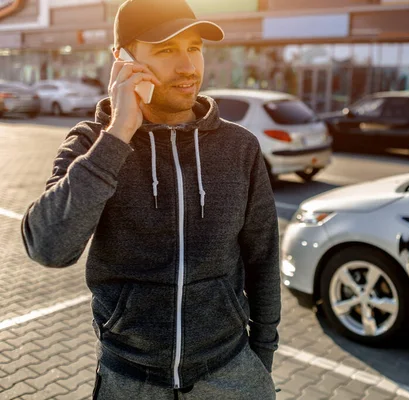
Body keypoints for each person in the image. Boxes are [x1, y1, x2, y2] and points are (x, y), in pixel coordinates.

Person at [21, 0, 281, 398]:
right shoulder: (92, 143)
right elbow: (48, 247)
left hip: (230, 373)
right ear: (122, 59)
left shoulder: (240, 147)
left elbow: (262, 258)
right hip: (129, 380)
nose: (188, 67)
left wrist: (261, 358)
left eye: (194, 47)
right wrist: (119, 132)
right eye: (165, 50)